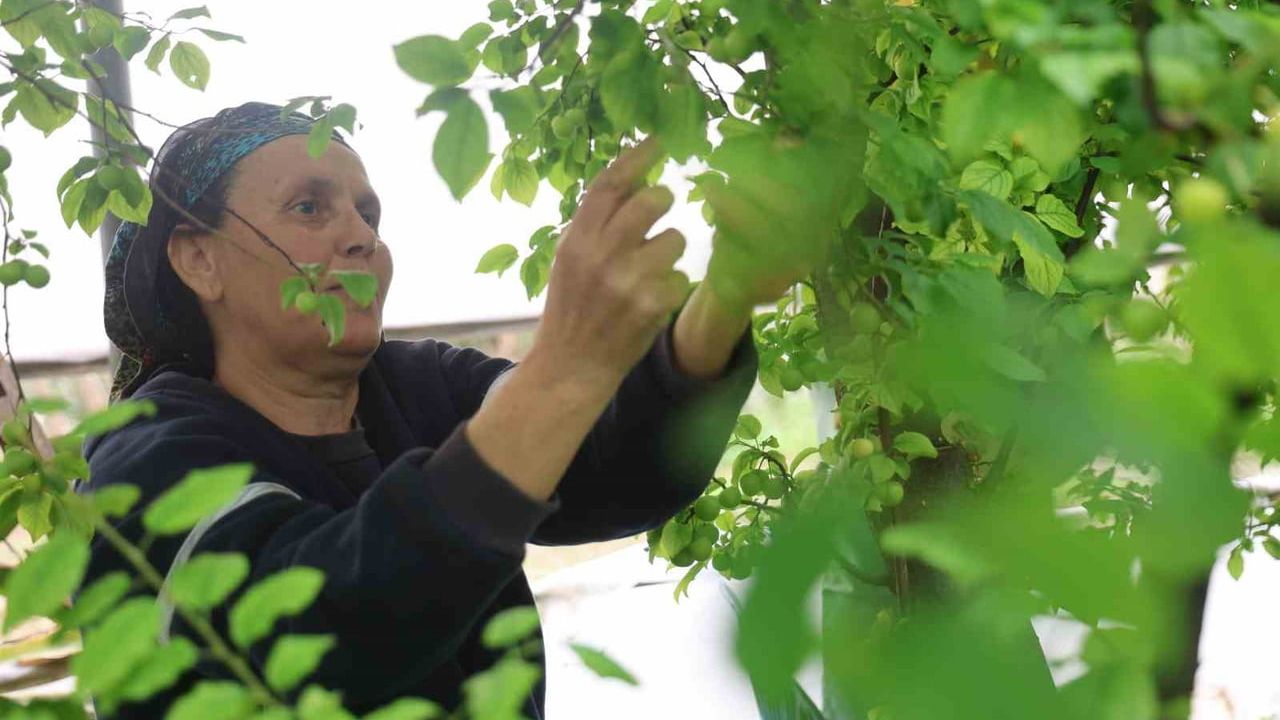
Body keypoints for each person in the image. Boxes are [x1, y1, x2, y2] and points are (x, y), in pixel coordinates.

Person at [81, 101, 771, 718]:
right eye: (308, 208)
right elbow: (327, 633)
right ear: (200, 261)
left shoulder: (420, 385)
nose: (362, 238)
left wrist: (726, 294)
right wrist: (565, 369)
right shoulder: (147, 459)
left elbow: (611, 469)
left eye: (367, 213)